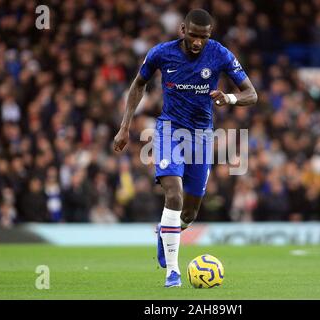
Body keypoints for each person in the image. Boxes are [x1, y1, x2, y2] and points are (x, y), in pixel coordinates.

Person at [113, 8, 257, 287]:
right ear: (182, 29)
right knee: (174, 194)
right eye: (193, 35)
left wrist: (228, 97)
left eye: (203, 37)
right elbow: (138, 84)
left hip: (202, 137)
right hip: (169, 130)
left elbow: (251, 94)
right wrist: (124, 126)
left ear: (209, 36)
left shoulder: (220, 54)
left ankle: (165, 233)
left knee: (189, 214)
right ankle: (173, 273)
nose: (197, 42)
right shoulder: (161, 53)